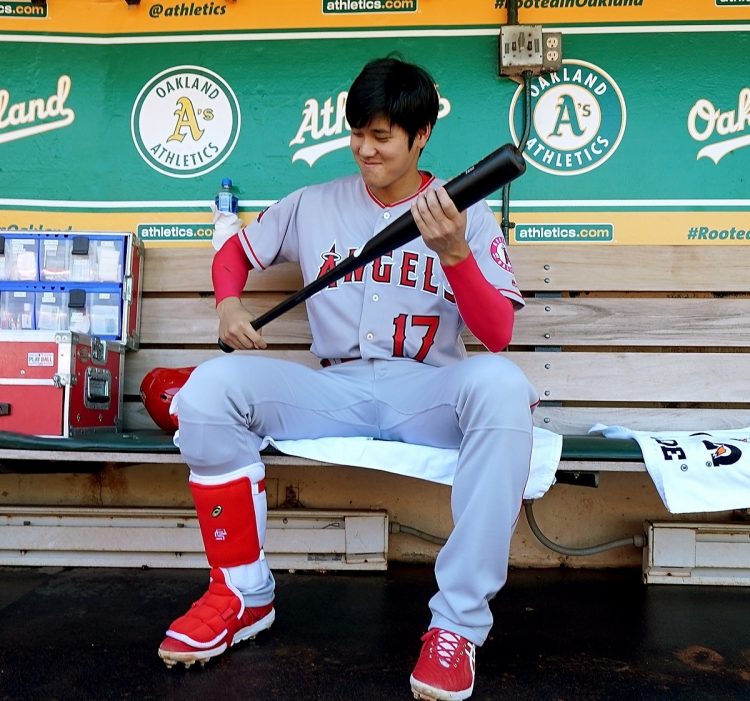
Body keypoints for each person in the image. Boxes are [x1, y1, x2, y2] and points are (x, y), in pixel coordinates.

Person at [159, 56, 539, 701]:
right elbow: (235, 251)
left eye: (383, 136)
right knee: (208, 392)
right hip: (332, 387)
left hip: (428, 391)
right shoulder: (314, 203)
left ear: (421, 137)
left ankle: (457, 628)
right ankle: (244, 594)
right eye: (357, 131)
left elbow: (496, 333)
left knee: (503, 385)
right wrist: (227, 303)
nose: (366, 148)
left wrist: (454, 254)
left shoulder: (465, 212)